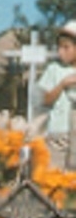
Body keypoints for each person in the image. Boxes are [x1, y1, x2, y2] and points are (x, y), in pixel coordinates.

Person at [35, 20, 76, 168]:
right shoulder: (54, 69)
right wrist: (62, 84)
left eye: (66, 47)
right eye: (59, 47)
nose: (61, 52)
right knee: (55, 174)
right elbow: (45, 100)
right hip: (59, 132)